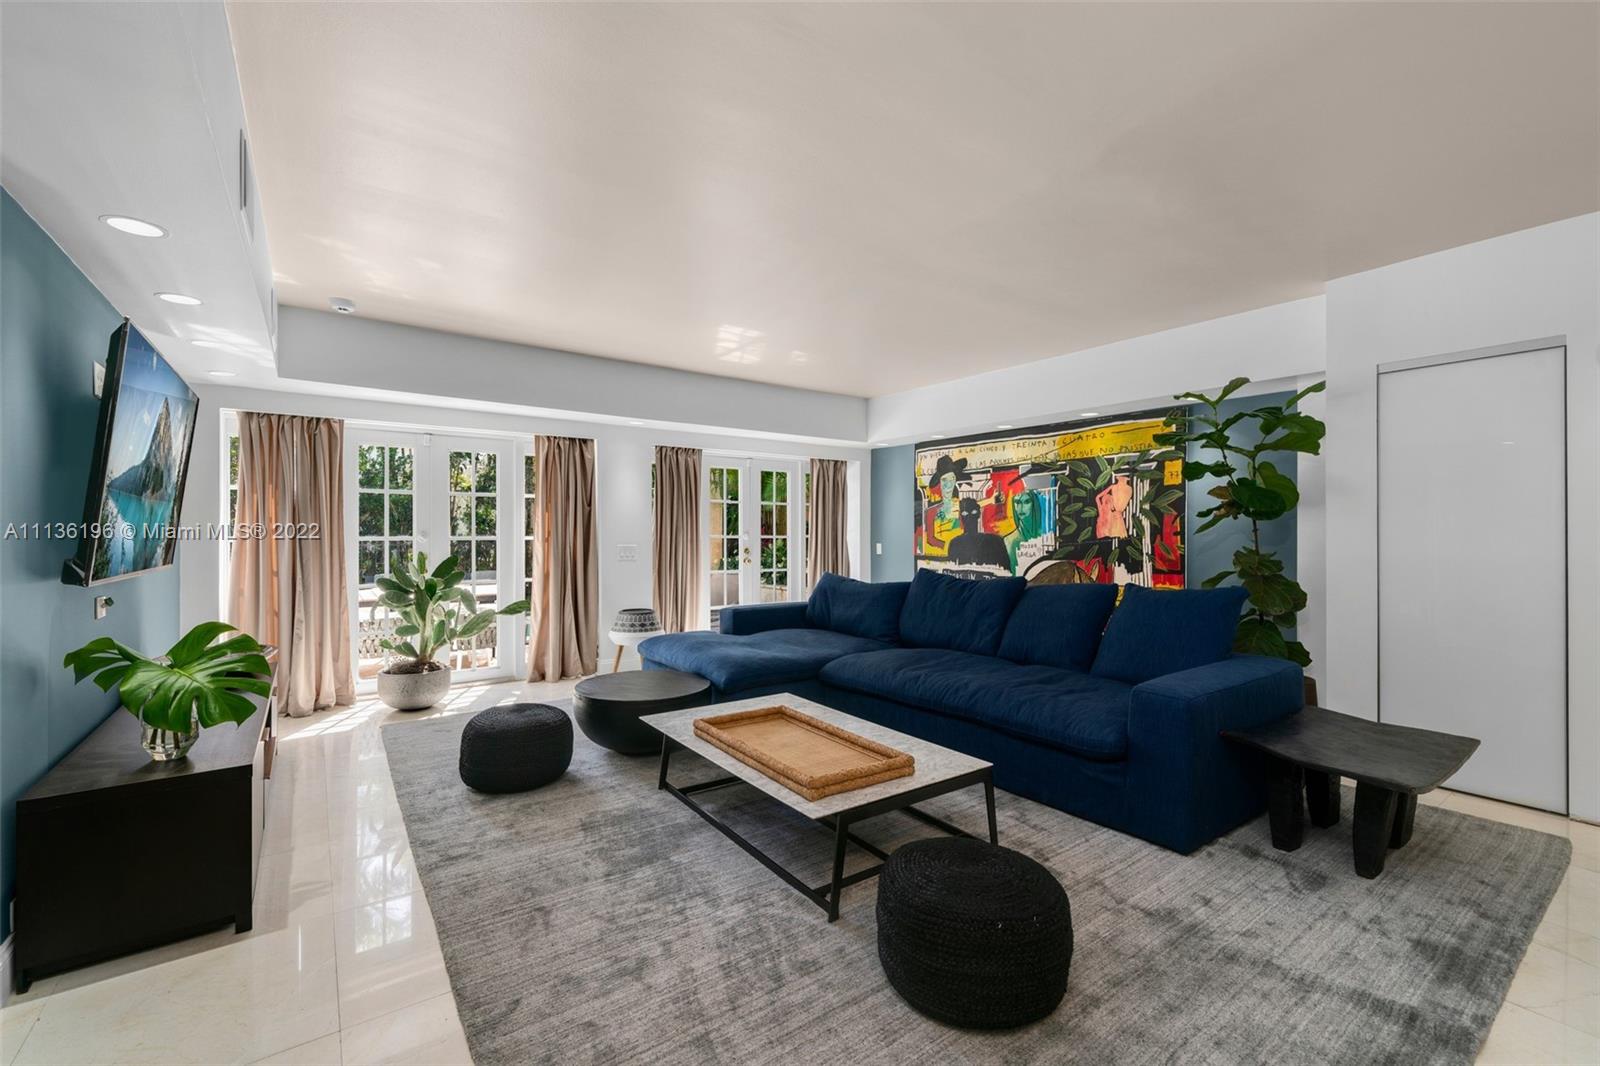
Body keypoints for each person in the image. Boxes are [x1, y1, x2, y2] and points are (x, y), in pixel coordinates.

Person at [921, 454, 969, 557]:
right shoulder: (931, 512)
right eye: (944, 480)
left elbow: (962, 529)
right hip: (939, 556)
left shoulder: (956, 506)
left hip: (959, 555)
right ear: (939, 483)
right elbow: (931, 539)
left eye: (952, 479)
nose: (949, 484)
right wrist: (950, 547)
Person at [948, 498, 1010, 569]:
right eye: (965, 513)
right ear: (961, 516)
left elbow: (1006, 570)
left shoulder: (995, 541)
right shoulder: (955, 543)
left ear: (978, 514)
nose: (969, 517)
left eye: (973, 512)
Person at [1005, 488, 1046, 573]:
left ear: (1034, 505)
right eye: (1017, 502)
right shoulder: (1008, 540)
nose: (1021, 508)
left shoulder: (1046, 536)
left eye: (1027, 502)